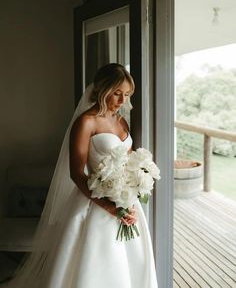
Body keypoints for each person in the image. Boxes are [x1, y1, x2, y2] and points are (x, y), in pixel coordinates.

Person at [5, 63, 158, 288]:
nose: (122, 100)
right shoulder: (86, 122)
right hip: (95, 204)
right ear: (102, 89)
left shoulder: (121, 120)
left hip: (127, 202)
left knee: (131, 263)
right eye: (117, 93)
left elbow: (128, 162)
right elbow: (76, 173)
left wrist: (133, 191)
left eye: (126, 94)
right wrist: (108, 206)